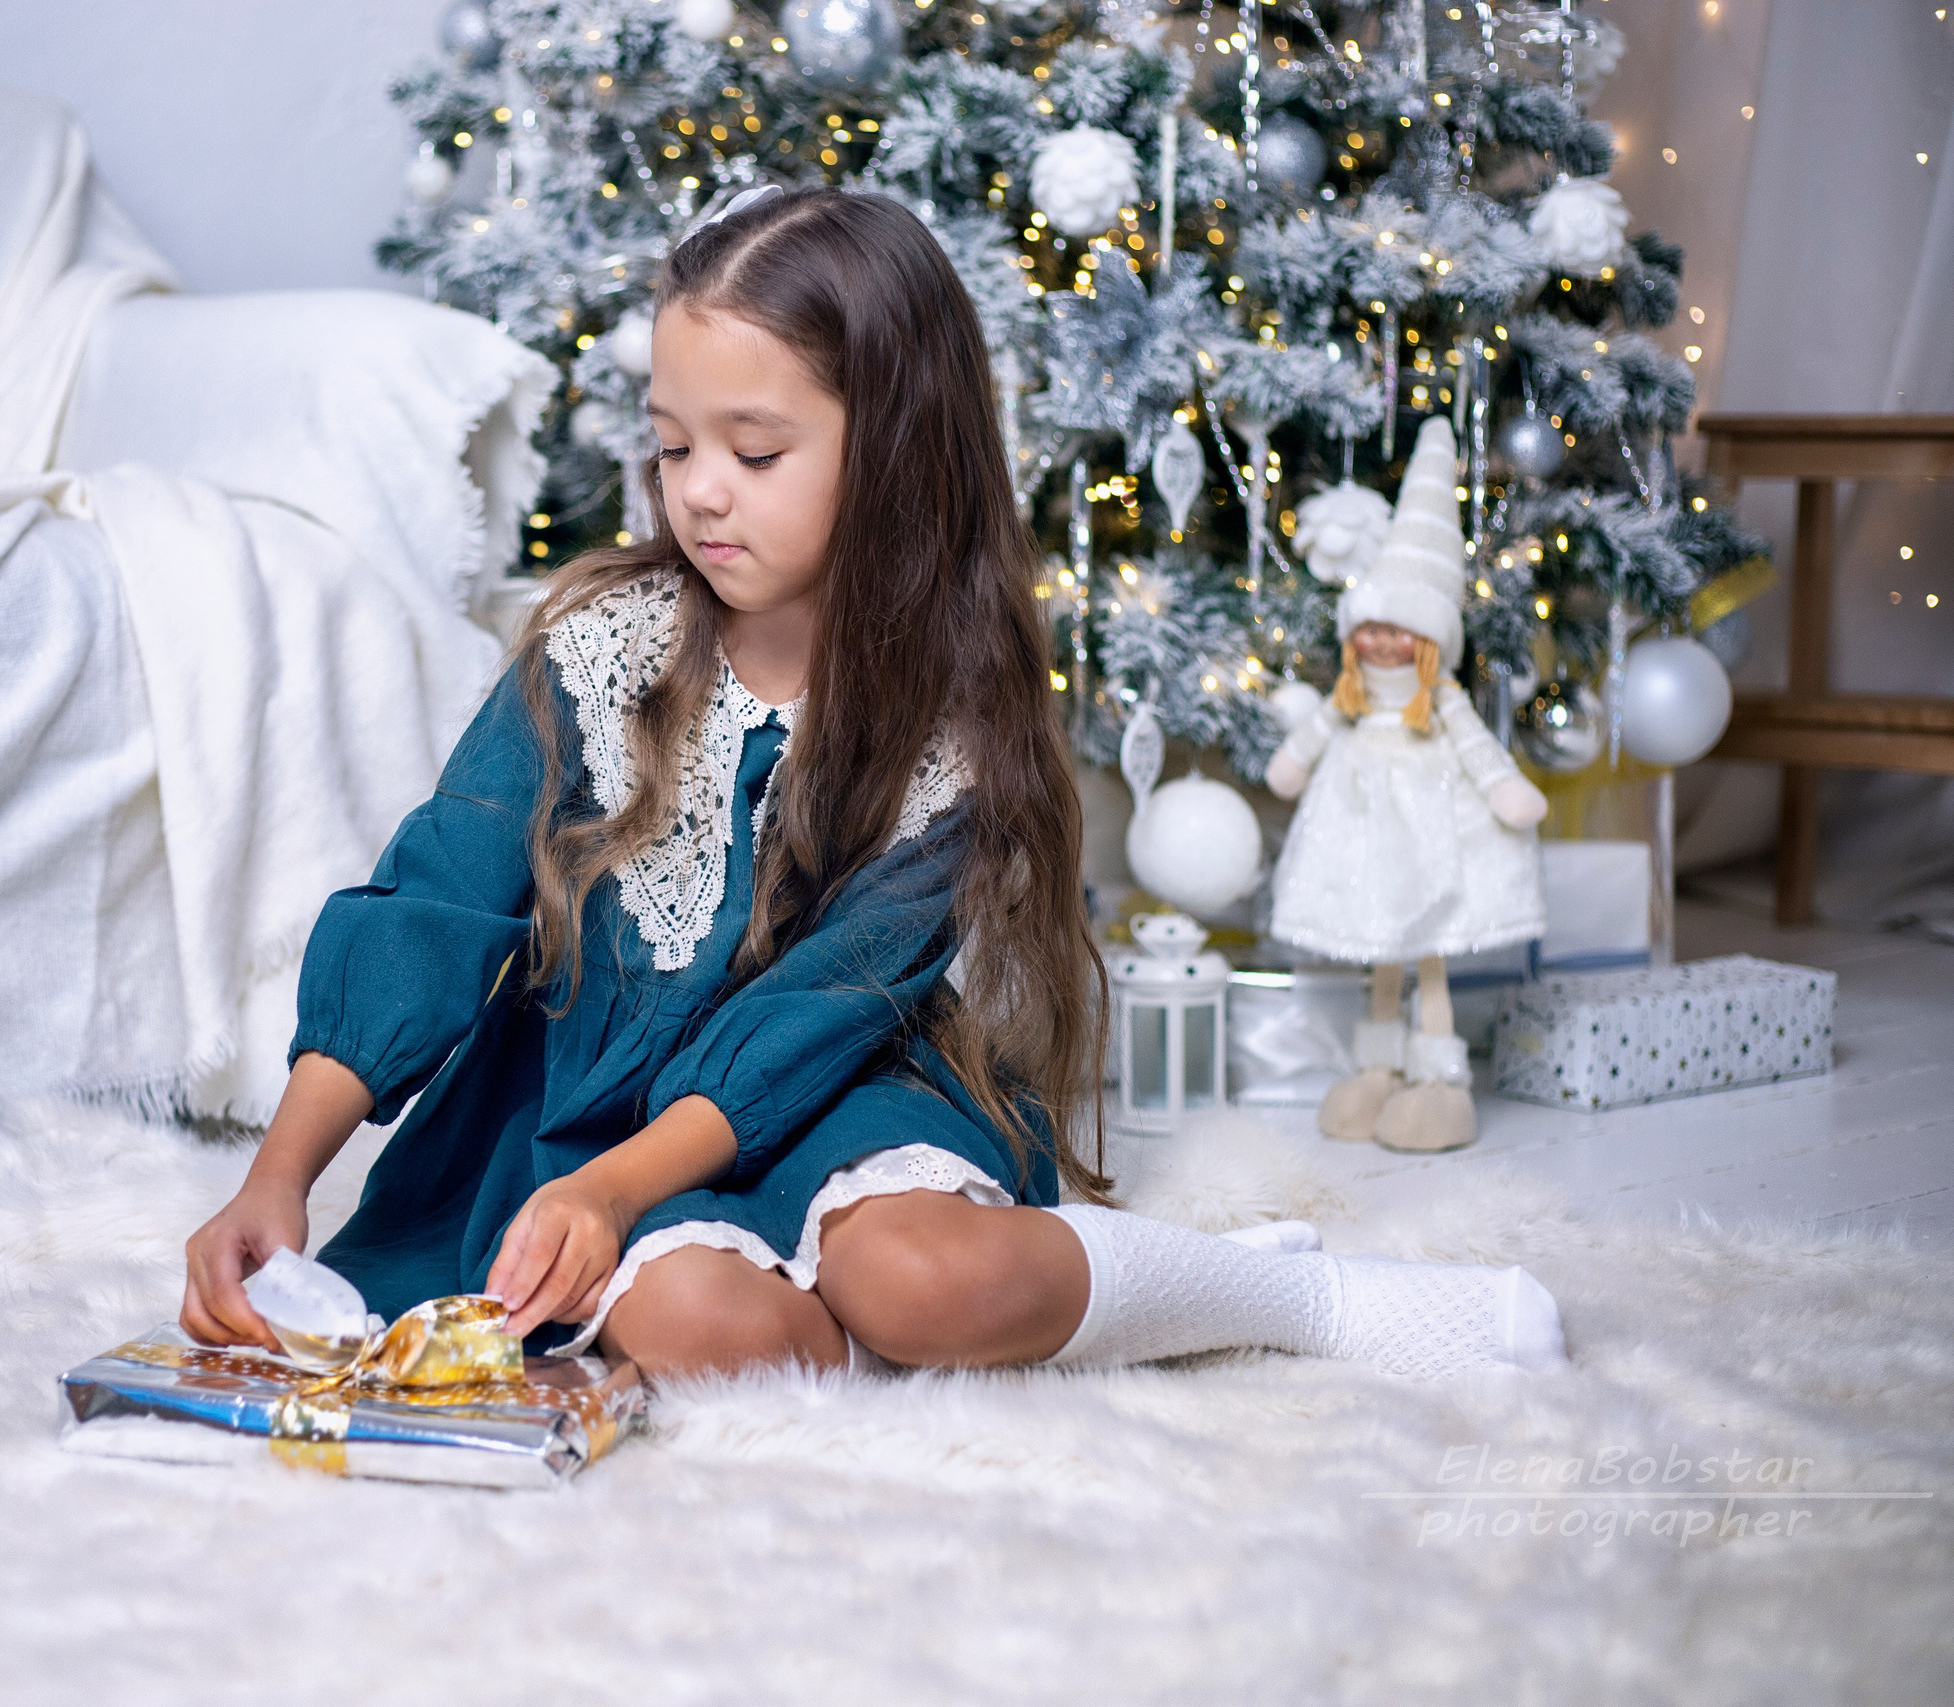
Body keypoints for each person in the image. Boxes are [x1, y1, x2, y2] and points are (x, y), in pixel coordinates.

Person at [179, 187, 1566, 1382]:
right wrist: (278, 1173)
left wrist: (618, 1190)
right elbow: (438, 893)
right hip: (588, 1103)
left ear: (892, 444)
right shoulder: (597, 650)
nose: (700, 492)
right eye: (672, 446)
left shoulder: (951, 726)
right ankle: (845, 1329)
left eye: (756, 451)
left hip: (827, 1073)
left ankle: (1278, 1293)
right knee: (701, 1327)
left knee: (925, 1282)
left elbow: (815, 1008)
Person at [1265, 416, 1551, 1155]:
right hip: (1362, 835)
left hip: (1428, 836)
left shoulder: (1441, 700)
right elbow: (1313, 736)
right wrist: (1293, 763)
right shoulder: (1354, 697)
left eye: (1401, 630)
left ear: (1429, 641)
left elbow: (1479, 749)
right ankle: (1376, 1070)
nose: (1383, 641)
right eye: (1372, 628)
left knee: (1428, 947)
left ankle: (1439, 1079)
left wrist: (1505, 791)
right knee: (1378, 953)